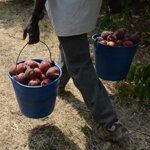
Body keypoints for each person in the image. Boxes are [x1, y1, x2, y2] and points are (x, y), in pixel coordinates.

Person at [23, 0, 127, 141]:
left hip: (68, 10)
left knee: (80, 65)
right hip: (83, 7)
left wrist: (35, 17)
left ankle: (110, 124)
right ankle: (58, 85)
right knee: (70, 46)